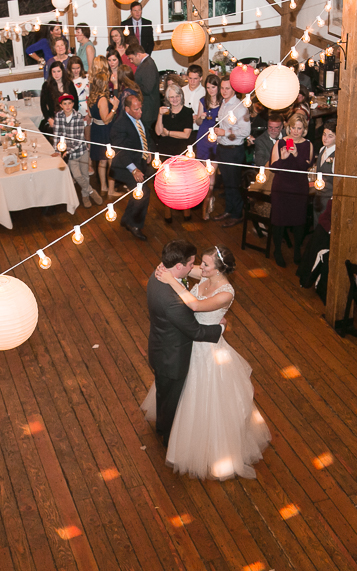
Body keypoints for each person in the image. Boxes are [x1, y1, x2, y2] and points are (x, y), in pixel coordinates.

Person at [141, 245, 270, 478]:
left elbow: (196, 305)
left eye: (206, 264)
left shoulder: (226, 293)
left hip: (208, 350)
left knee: (204, 396)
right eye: (199, 262)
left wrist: (171, 280)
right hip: (189, 344)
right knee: (181, 391)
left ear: (217, 270)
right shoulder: (206, 273)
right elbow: (183, 268)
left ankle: (202, 442)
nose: (200, 267)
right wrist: (169, 267)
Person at [140, 240, 224, 446]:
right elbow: (195, 331)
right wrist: (220, 328)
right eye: (190, 264)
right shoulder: (173, 302)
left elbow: (189, 274)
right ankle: (169, 441)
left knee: (164, 395)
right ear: (179, 266)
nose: (193, 268)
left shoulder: (158, 274)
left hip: (159, 347)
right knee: (173, 403)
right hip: (173, 358)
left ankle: (161, 427)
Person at [269, 114, 312, 268]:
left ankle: (297, 252)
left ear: (304, 129)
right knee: (279, 221)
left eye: (299, 128)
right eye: (293, 127)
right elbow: (273, 168)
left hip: (299, 188)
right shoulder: (280, 143)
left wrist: (296, 155)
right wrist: (283, 157)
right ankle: (278, 252)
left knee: (299, 221)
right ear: (288, 127)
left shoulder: (308, 144)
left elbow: (304, 167)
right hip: (282, 187)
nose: (295, 131)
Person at [109, 94, 154, 241]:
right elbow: (120, 151)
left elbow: (145, 137)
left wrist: (148, 152)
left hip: (139, 161)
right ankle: (134, 225)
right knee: (143, 192)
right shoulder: (120, 124)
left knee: (139, 192)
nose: (140, 111)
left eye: (140, 108)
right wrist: (134, 170)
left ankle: (127, 219)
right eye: (136, 109)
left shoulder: (138, 118)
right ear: (127, 109)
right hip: (126, 166)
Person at [213, 75, 252, 227]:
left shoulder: (240, 107)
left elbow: (246, 131)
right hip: (223, 148)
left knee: (233, 184)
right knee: (227, 184)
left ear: (234, 89)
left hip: (234, 150)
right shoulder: (224, 103)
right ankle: (229, 210)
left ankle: (237, 214)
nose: (223, 91)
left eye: (227, 88)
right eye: (222, 88)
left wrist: (225, 133)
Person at [52, 94, 102, 208]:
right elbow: (56, 135)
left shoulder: (78, 116)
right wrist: (57, 150)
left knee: (85, 175)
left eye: (69, 103)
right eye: (65, 104)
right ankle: (91, 191)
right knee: (77, 175)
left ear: (73, 104)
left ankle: (85, 196)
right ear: (61, 106)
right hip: (71, 154)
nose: (67, 106)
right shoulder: (59, 117)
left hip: (81, 151)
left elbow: (80, 138)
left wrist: (67, 151)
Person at [155, 83, 194, 223]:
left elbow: (186, 135)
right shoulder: (165, 112)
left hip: (181, 152)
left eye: (177, 96)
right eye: (171, 97)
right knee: (167, 184)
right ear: (167, 98)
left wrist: (169, 133)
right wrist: (159, 116)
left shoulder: (187, 112)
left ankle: (186, 211)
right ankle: (167, 213)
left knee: (184, 184)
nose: (175, 99)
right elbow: (159, 132)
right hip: (165, 151)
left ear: (181, 96)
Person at [194, 74, 223, 219]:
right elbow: (198, 123)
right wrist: (201, 117)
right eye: (208, 87)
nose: (211, 90)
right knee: (203, 174)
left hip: (216, 139)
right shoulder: (202, 101)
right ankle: (205, 200)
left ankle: (206, 204)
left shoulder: (224, 102)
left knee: (211, 174)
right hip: (203, 138)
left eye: (213, 87)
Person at [87, 72, 120, 196]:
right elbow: (106, 120)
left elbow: (90, 114)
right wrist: (114, 108)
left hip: (96, 129)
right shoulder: (102, 100)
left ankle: (104, 187)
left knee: (102, 161)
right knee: (111, 160)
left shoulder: (91, 97)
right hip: (105, 131)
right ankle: (111, 190)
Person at [40, 62, 79, 146]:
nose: (56, 74)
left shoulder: (69, 84)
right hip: (54, 120)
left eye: (58, 71)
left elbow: (75, 103)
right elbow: (43, 105)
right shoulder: (47, 85)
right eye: (54, 72)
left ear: (62, 72)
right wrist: (49, 119)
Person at [128, 44, 159, 134]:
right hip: (147, 109)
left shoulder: (148, 65)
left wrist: (133, 85)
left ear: (138, 54)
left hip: (148, 110)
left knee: (148, 138)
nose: (131, 61)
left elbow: (147, 89)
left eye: (131, 58)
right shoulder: (145, 64)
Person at [311, 121, 335, 225]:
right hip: (319, 196)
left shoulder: (337, 156)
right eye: (324, 134)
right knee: (317, 223)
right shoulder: (322, 149)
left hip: (329, 197)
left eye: (330, 136)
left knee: (326, 225)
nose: (325, 138)